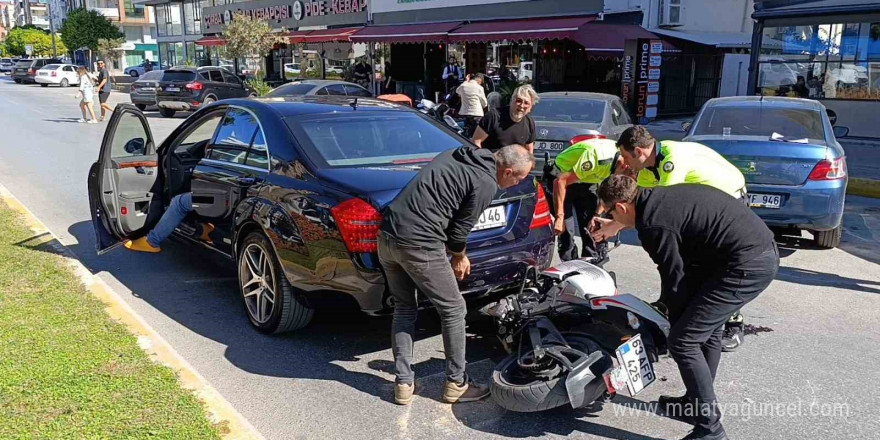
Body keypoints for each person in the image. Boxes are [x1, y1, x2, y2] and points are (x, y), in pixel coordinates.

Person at [596, 175, 778, 440]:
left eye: (609, 212)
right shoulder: (657, 199)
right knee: (709, 332)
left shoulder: (653, 224)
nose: (611, 218)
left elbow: (673, 277)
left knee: (683, 341)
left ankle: (710, 429)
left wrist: (668, 317)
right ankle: (694, 406)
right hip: (740, 254)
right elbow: (680, 274)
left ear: (622, 207)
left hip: (747, 263)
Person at [379, 144, 534, 406]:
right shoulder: (486, 182)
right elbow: (459, 232)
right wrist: (459, 256)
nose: (519, 182)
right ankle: (456, 384)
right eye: (519, 177)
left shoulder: (456, 154)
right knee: (453, 309)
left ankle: (403, 383)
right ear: (507, 172)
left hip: (387, 238)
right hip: (420, 244)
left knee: (405, 308)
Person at [598, 126, 750, 351]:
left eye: (627, 157)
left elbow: (663, 210)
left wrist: (616, 225)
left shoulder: (671, 162)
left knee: (717, 268)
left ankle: (732, 323)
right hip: (702, 208)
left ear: (639, 151)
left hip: (728, 202)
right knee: (680, 260)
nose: (626, 164)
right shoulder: (651, 166)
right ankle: (671, 305)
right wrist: (613, 221)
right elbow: (637, 206)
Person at [543, 138, 630, 261]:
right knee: (566, 230)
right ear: (623, 165)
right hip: (562, 178)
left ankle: (592, 263)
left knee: (593, 226)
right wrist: (559, 217)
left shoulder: (627, 162)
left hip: (588, 181)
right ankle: (569, 266)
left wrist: (597, 214)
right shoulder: (597, 158)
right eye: (623, 176)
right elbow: (560, 181)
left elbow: (607, 194)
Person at [124, 193, 214, 253]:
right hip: (223, 199)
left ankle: (151, 241)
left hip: (215, 199)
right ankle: (204, 231)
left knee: (179, 202)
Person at [472, 84, 538, 153]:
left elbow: (529, 150)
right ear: (511, 101)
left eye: (526, 103)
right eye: (519, 101)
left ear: (530, 108)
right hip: (491, 162)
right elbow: (476, 141)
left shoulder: (529, 122)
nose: (521, 106)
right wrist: (483, 161)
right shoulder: (493, 117)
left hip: (515, 162)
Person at [456, 73, 488, 138]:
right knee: (475, 134)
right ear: (479, 81)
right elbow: (484, 103)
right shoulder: (479, 88)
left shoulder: (463, 86)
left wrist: (466, 81)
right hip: (477, 113)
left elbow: (457, 91)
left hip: (466, 113)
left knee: (467, 131)